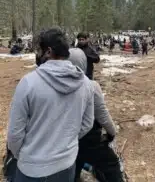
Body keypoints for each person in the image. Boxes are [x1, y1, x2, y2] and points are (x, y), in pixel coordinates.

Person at [7, 28, 95, 181]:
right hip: (66, 164)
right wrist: (67, 141)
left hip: (32, 169)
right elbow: (87, 123)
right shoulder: (86, 84)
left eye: (39, 50)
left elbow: (15, 133)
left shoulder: (29, 83)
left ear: (48, 51)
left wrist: (24, 155)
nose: (38, 54)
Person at [67, 48, 123, 182]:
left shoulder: (56, 86)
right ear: (84, 64)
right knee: (112, 164)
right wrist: (112, 132)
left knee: (74, 167)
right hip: (89, 139)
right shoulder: (91, 86)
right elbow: (102, 114)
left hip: (67, 140)